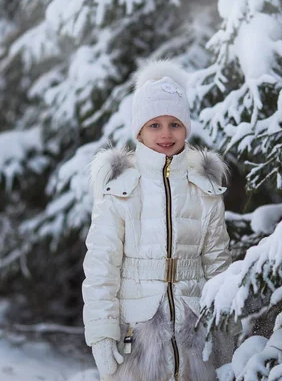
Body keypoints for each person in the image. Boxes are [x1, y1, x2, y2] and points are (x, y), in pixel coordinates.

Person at [82, 59, 232, 381]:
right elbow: (101, 266)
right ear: (139, 130)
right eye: (155, 125)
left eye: (174, 124)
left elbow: (218, 263)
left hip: (193, 337)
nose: (166, 134)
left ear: (186, 128)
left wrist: (224, 331)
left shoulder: (204, 189)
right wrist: (102, 331)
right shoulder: (121, 189)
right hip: (137, 339)